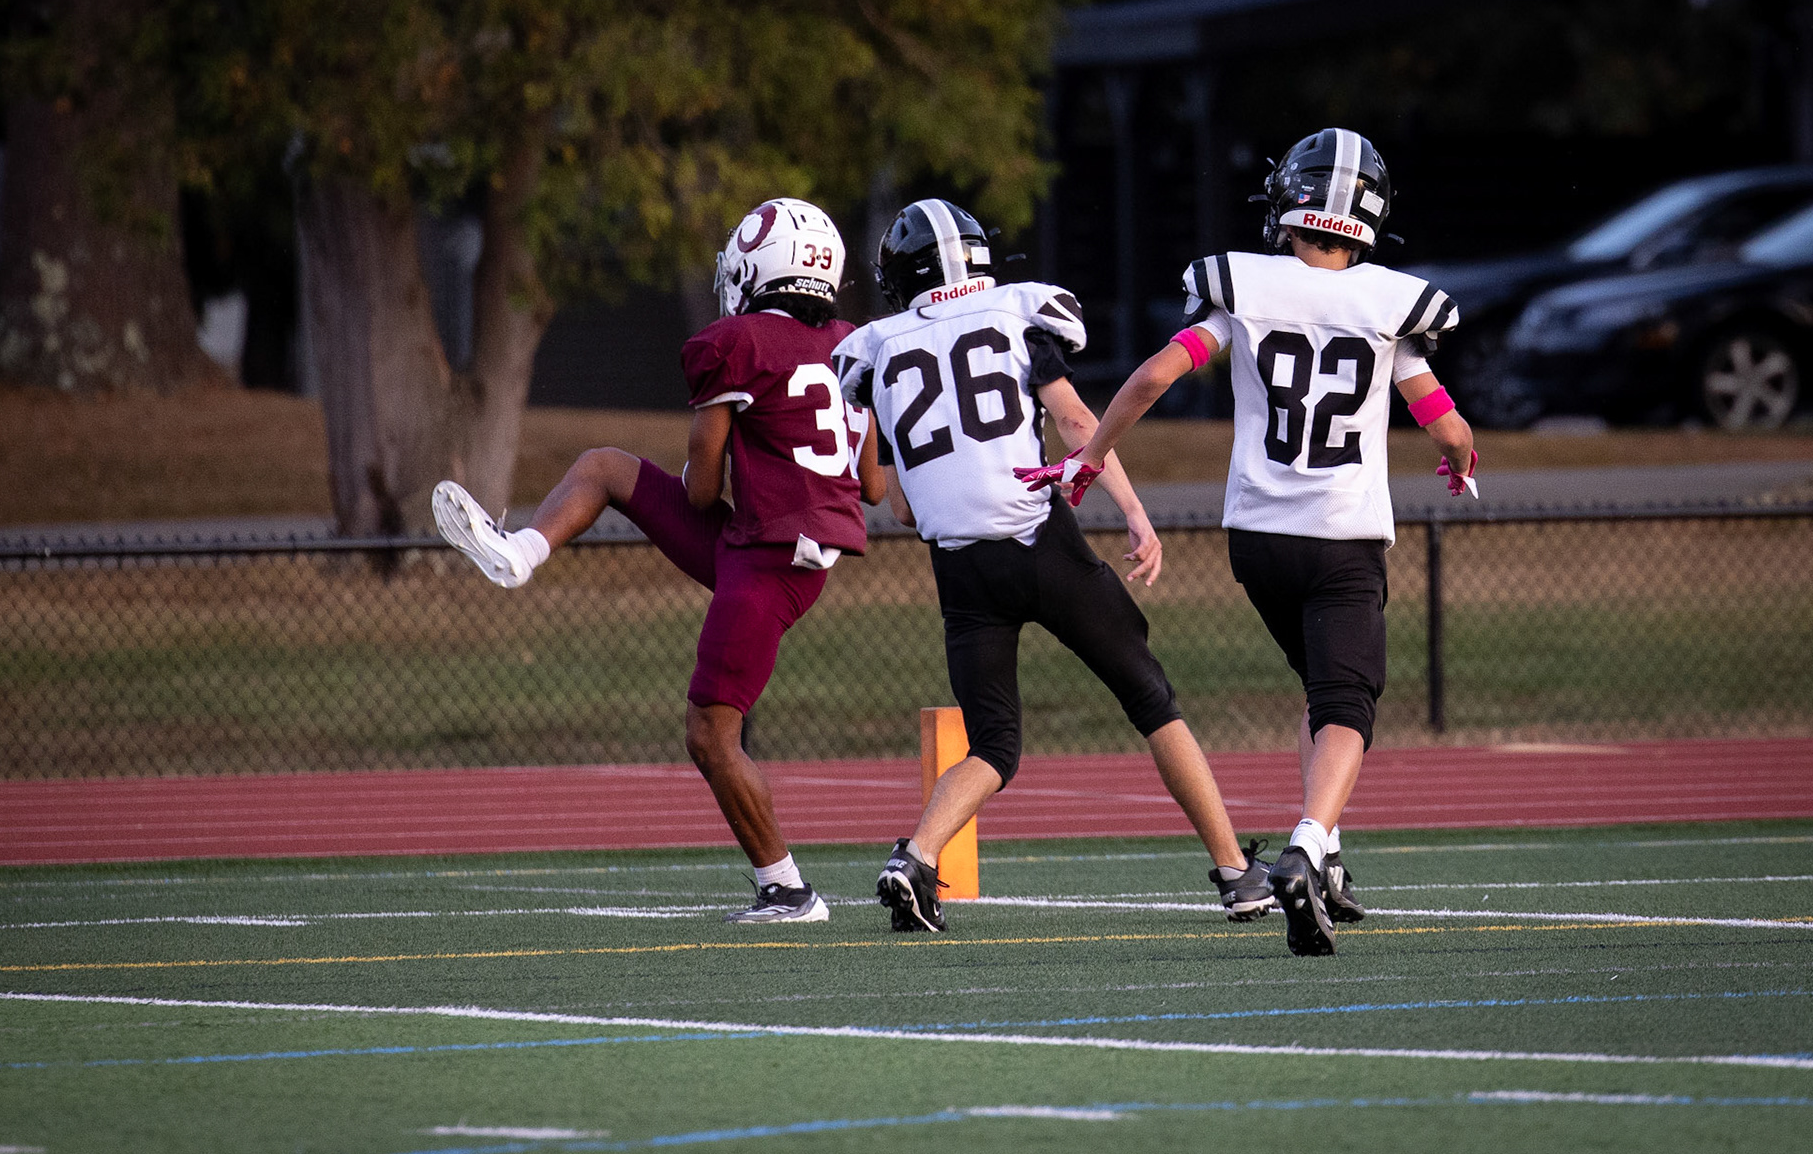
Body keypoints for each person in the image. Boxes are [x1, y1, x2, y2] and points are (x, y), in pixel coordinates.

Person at [1041, 128, 1478, 956]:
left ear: (1292, 202)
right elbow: (1445, 424)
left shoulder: (1242, 286)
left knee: (1321, 684)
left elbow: (1152, 378)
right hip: (1341, 537)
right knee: (1349, 702)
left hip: (1257, 540)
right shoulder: (1391, 301)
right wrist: (1458, 462)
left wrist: (1091, 458)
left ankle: (1333, 857)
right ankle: (1308, 848)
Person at [432, 198, 881, 924]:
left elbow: (702, 489)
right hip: (792, 553)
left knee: (710, 732)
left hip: (765, 559)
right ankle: (516, 551)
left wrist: (722, 461)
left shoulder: (734, 341)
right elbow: (874, 485)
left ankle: (789, 889)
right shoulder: (852, 343)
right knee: (607, 466)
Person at [831, 197, 1272, 934]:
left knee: (994, 744)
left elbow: (901, 508)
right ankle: (1235, 871)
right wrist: (1133, 511)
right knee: (1151, 696)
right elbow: (1074, 423)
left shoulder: (875, 353)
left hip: (961, 572)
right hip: (1040, 541)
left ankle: (915, 857)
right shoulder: (1014, 315)